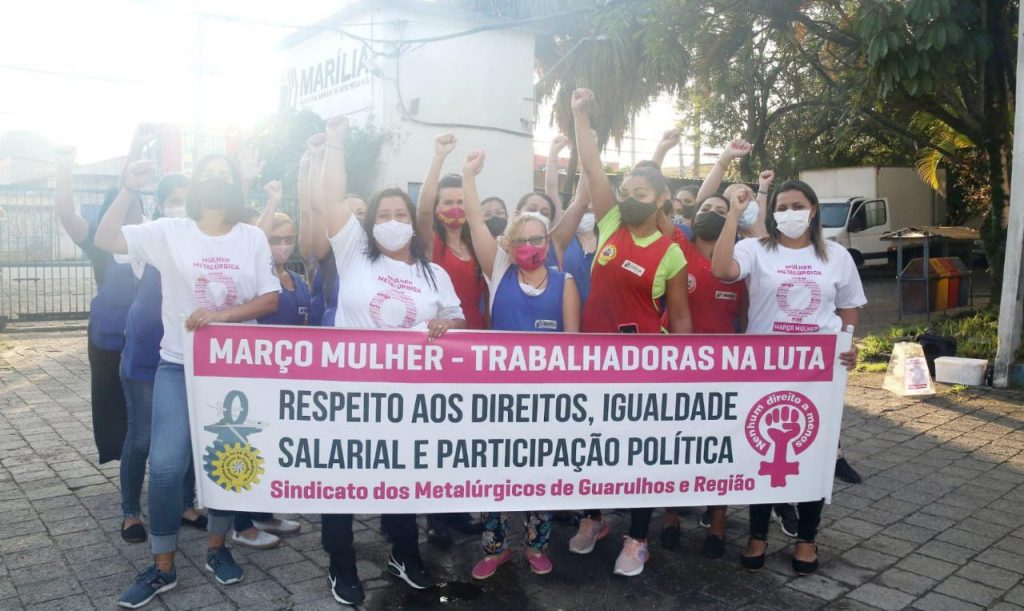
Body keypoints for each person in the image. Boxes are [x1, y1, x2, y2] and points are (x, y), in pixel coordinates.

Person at [96, 154, 281, 609]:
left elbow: (269, 299)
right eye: (208, 173)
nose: (216, 179)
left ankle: (217, 548)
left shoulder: (251, 236)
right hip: (178, 364)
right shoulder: (169, 231)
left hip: (234, 366)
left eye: (225, 174)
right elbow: (105, 238)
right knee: (165, 465)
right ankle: (162, 566)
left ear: (235, 186)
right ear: (196, 183)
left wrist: (222, 316)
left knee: (227, 459)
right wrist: (128, 187)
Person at [313, 116, 466, 605]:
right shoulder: (354, 254)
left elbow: (458, 320)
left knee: (400, 474)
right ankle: (341, 561)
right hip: (351, 392)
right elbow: (330, 200)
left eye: (401, 212)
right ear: (370, 222)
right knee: (342, 477)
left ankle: (404, 551)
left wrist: (446, 326)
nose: (393, 220)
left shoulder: (433, 273)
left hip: (408, 398)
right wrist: (336, 144)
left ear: (413, 221)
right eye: (384, 213)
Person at [711, 179, 865, 576]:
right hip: (765, 369)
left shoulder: (836, 256)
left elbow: (849, 307)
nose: (789, 213)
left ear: (813, 210)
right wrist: (733, 214)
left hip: (818, 372)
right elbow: (722, 269)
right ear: (772, 213)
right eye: (782, 207)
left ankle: (807, 539)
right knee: (763, 451)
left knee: (814, 453)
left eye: (797, 205)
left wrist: (848, 344)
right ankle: (758, 534)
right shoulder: (755, 249)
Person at [567, 88, 692, 577]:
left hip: (644, 365)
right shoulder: (612, 222)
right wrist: (580, 115)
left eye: (643, 195)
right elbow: (592, 167)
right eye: (628, 193)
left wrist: (684, 369)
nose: (631, 199)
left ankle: (637, 537)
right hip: (594, 359)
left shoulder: (671, 251)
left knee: (640, 451)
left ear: (661, 199)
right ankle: (593, 518)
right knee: (592, 442)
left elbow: (680, 318)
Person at [460, 149, 580, 578]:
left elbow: (572, 347)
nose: (531, 246)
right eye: (523, 240)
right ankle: (495, 548)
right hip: (498, 397)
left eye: (539, 238)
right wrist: (468, 176)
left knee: (539, 474)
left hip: (545, 400)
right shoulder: (499, 271)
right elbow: (476, 222)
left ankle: (536, 545)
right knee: (492, 472)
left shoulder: (565, 282)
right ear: (510, 246)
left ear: (549, 241)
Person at [654, 193, 752, 558]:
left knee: (718, 445)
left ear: (733, 219)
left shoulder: (740, 263)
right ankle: (671, 516)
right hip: (675, 364)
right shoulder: (678, 246)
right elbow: (657, 212)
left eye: (721, 211)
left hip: (722, 369)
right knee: (674, 441)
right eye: (706, 209)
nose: (712, 215)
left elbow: (748, 318)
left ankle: (718, 520)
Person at [117, 173, 207, 544]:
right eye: (174, 199)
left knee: (188, 434)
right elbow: (111, 236)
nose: (181, 206)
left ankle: (185, 504)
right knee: (141, 438)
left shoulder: (202, 241)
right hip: (145, 354)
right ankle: (130, 512)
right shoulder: (151, 236)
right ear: (160, 204)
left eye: (188, 198)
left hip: (188, 354)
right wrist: (128, 186)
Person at [231, 193, 305, 550]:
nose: (283, 245)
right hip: (256, 376)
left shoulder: (297, 279)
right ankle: (241, 523)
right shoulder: (250, 281)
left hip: (288, 379)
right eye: (275, 239)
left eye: (289, 238)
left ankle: (264, 512)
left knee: (272, 449)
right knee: (249, 447)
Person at [416, 133, 486, 330]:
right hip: (443, 332)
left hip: (477, 331)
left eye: (461, 202)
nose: (455, 208)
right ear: (436, 208)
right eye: (448, 202)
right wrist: (439, 157)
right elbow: (423, 210)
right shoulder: (431, 242)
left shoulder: (477, 245)